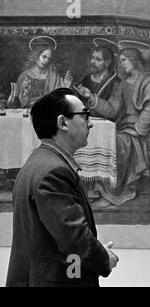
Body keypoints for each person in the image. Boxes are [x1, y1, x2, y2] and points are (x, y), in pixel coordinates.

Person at [6, 88, 119, 287]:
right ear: (62, 123)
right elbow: (74, 238)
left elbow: (56, 234)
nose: (90, 123)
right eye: (85, 116)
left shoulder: (40, 161)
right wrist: (104, 258)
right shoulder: (54, 172)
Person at [77, 47, 150, 208]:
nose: (121, 65)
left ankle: (111, 195)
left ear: (135, 60)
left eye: (124, 60)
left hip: (145, 132)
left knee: (116, 143)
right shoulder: (123, 84)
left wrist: (138, 128)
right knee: (101, 139)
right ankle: (96, 190)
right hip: (126, 128)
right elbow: (113, 109)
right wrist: (91, 97)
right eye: (120, 61)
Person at [7, 37, 73, 109]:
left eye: (49, 58)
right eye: (44, 57)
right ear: (36, 55)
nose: (46, 61)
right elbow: (16, 104)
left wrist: (65, 88)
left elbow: (59, 101)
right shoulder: (24, 76)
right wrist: (25, 93)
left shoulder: (54, 76)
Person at [77, 46, 121, 119]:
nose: (93, 62)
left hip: (104, 126)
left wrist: (91, 96)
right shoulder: (87, 78)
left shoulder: (116, 83)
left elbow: (113, 111)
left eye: (98, 59)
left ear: (107, 62)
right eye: (92, 58)